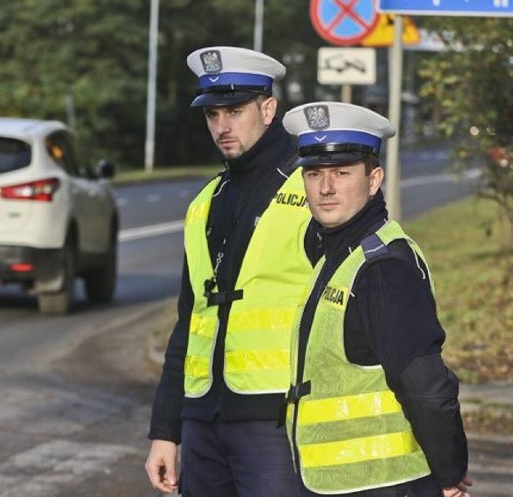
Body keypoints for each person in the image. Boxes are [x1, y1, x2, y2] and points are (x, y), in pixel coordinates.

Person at [145, 46, 315, 496]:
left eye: (235, 112)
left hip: (278, 421)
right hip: (204, 421)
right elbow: (191, 321)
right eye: (213, 114)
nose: (222, 127)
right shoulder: (205, 202)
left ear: (268, 108)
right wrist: (166, 429)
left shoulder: (313, 189)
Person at [281, 101, 473, 497]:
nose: (326, 187)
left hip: (386, 484)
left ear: (374, 180)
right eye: (314, 173)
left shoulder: (384, 268)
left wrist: (450, 474)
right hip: (336, 484)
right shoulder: (337, 255)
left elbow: (426, 386)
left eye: (342, 173)